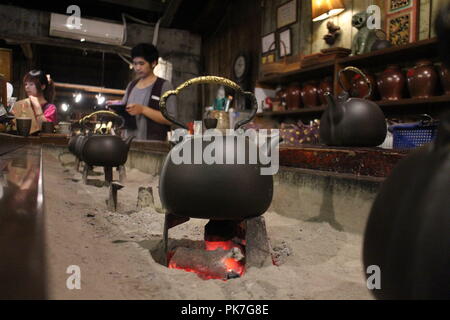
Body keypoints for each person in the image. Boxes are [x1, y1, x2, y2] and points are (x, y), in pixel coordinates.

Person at [107, 43, 177, 141]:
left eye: (141, 63)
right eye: (135, 63)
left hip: (154, 145)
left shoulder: (164, 86)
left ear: (153, 63)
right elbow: (125, 113)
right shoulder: (131, 86)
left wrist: (143, 110)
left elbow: (171, 119)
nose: (137, 68)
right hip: (129, 143)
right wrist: (117, 108)